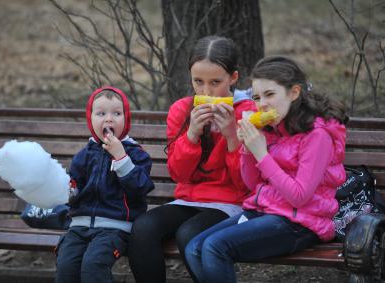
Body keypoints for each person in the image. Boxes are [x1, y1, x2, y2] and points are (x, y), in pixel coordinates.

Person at [184, 56, 347, 283]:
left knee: (214, 247)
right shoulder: (273, 128)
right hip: (265, 212)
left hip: (301, 223)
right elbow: (253, 185)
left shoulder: (317, 136)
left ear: (294, 92)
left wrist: (262, 153)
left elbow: (299, 197)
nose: (262, 104)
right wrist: (248, 150)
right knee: (194, 248)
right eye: (257, 97)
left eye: (270, 94)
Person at [128, 35, 256, 283]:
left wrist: (231, 135)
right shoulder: (180, 110)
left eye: (215, 82)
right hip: (188, 198)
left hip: (232, 202)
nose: (206, 91)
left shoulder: (247, 112)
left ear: (234, 78)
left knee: (190, 235)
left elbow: (245, 184)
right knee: (143, 228)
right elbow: (179, 174)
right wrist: (192, 134)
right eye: (198, 82)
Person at [55, 86, 154, 283]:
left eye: (116, 113)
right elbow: (74, 189)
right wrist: (66, 190)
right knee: (66, 266)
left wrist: (121, 158)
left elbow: (140, 190)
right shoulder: (84, 155)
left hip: (115, 228)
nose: (109, 119)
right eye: (101, 113)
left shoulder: (135, 154)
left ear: (126, 119)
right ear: (90, 120)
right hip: (79, 226)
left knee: (93, 265)